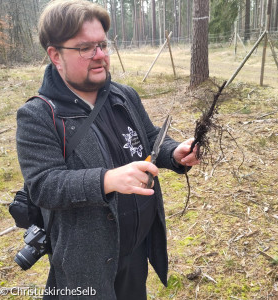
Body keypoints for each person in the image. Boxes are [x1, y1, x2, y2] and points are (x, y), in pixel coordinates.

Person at [16, 0, 199, 299]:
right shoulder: (38, 115)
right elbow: (43, 186)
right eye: (86, 47)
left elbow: (149, 139)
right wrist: (106, 180)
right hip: (84, 262)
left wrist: (174, 152)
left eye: (102, 44)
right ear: (55, 55)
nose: (100, 55)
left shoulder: (124, 96)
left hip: (136, 249)